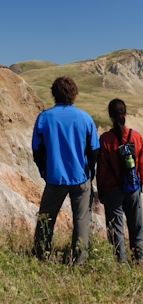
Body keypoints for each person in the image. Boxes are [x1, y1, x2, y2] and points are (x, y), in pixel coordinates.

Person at [31, 76, 99, 265]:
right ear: (74, 93)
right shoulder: (85, 118)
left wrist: (45, 172)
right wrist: (89, 174)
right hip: (80, 178)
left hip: (54, 178)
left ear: (54, 94)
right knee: (81, 221)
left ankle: (40, 256)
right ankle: (79, 261)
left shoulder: (44, 118)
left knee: (46, 219)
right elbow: (94, 151)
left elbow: (37, 151)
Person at [96, 98, 143, 264]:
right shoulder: (136, 136)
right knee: (136, 225)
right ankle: (139, 260)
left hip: (112, 190)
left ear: (110, 116)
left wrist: (101, 191)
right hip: (132, 188)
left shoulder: (105, 139)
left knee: (116, 229)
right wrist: (140, 186)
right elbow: (141, 165)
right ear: (125, 114)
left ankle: (121, 264)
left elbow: (101, 169)